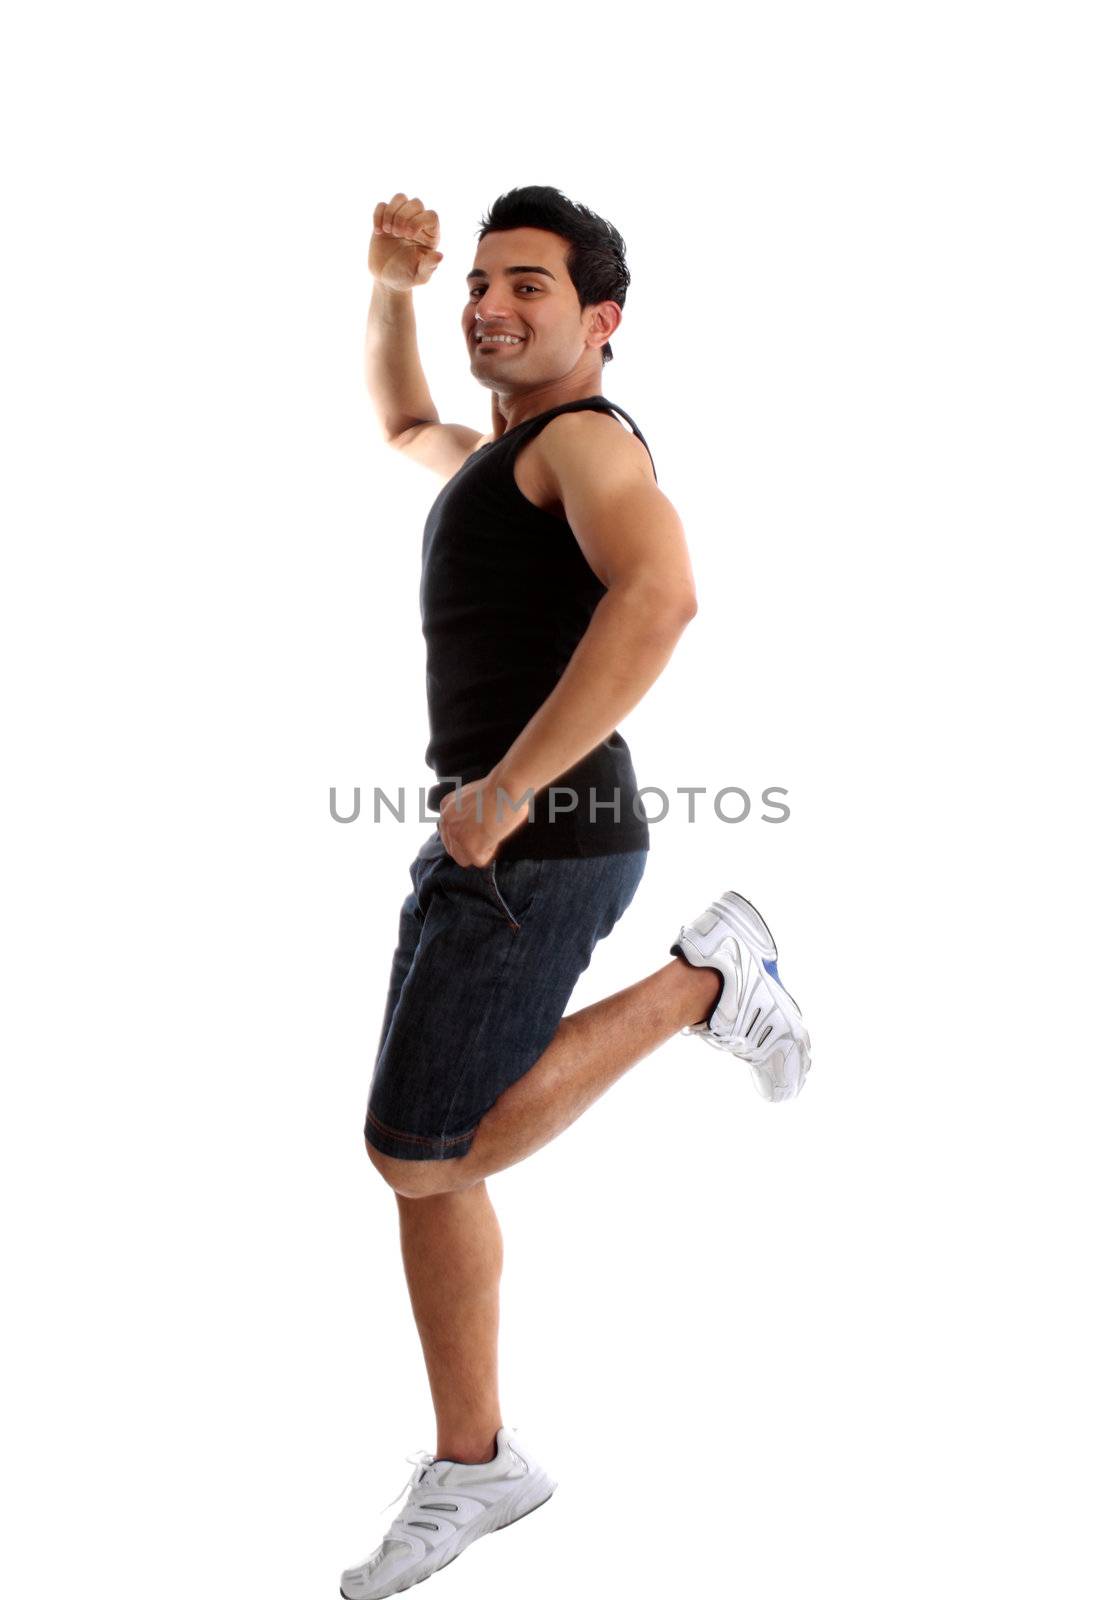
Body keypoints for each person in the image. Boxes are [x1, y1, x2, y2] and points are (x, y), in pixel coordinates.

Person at [341, 185, 811, 1600]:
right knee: (428, 1152)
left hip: (535, 841)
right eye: (481, 284)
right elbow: (401, 427)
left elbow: (660, 594)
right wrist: (388, 290)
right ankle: (476, 1456)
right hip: (512, 840)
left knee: (423, 1152)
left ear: (602, 322)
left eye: (528, 286)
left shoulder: (588, 444)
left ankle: (704, 980)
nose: (491, 304)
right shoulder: (508, 453)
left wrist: (507, 793)